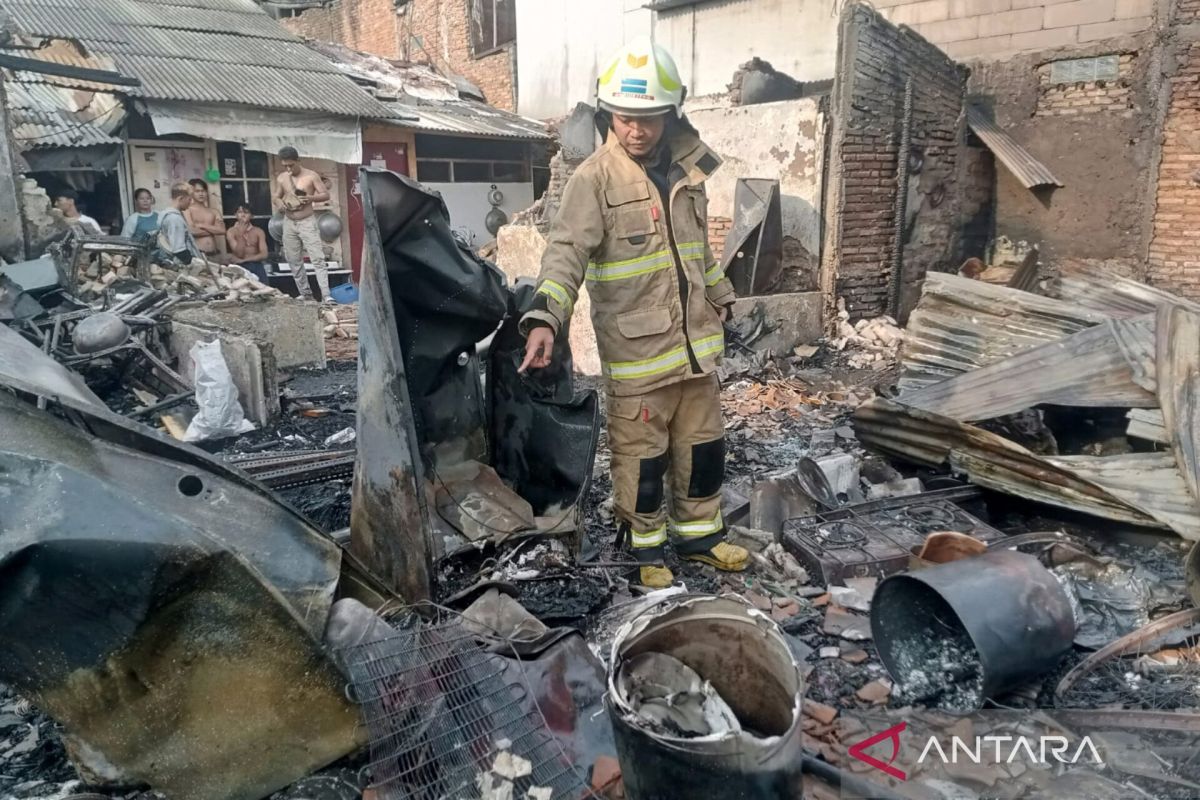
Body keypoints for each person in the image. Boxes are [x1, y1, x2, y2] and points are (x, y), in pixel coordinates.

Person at [517, 38, 748, 588]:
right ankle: (643, 549)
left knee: (704, 450)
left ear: (671, 115)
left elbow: (697, 254)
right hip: (639, 359)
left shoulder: (689, 171)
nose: (637, 130)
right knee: (643, 463)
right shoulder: (593, 180)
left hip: (696, 350)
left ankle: (701, 539)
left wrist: (721, 295)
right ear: (608, 117)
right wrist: (546, 316)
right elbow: (565, 251)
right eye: (625, 119)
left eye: (649, 119)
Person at [272, 145, 331, 301]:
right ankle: (306, 294)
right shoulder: (282, 177)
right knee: (293, 260)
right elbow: (276, 196)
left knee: (317, 258)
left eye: (291, 165)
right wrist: (279, 203)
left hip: (307, 221)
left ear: (298, 160)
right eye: (285, 166)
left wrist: (310, 198)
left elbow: (325, 195)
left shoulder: (311, 176)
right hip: (289, 222)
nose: (289, 168)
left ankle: (326, 295)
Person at [158, 182, 203, 264]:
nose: (191, 202)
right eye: (189, 199)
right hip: (181, 265)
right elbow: (179, 249)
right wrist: (196, 264)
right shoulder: (174, 219)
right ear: (181, 199)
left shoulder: (167, 215)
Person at [226, 204, 270, 283]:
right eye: (240, 212)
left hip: (256, 265)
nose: (243, 215)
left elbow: (264, 254)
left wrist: (245, 260)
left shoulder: (258, 231)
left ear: (251, 216)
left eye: (246, 212)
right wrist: (241, 233)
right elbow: (239, 254)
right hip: (239, 266)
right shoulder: (231, 231)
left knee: (264, 289)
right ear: (235, 215)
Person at [184, 179, 226, 257]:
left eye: (203, 191)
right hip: (197, 254)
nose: (201, 194)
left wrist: (202, 225)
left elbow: (222, 230)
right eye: (197, 191)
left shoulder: (214, 211)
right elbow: (192, 231)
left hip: (214, 253)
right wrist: (214, 230)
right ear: (191, 193)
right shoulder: (187, 210)